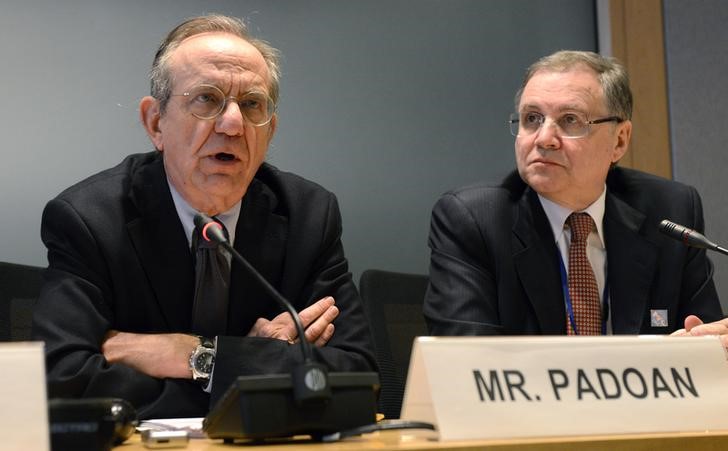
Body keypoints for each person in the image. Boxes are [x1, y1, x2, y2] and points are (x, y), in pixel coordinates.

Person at [32, 14, 375, 419]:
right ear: (155, 123)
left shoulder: (308, 215)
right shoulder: (89, 219)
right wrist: (248, 365)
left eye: (251, 105)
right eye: (206, 99)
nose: (232, 124)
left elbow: (358, 378)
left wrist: (196, 355)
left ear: (270, 131)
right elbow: (61, 381)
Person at [424, 50, 723, 336]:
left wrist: (713, 342)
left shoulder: (670, 211)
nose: (544, 139)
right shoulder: (474, 220)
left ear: (619, 140)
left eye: (570, 120)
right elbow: (467, 361)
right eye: (532, 118)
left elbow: (709, 348)